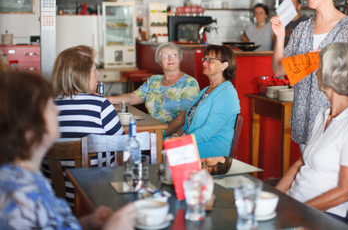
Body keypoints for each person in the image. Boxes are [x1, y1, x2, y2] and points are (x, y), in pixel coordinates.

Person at [0, 71, 137, 230]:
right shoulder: (18, 198)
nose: (57, 110)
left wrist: (86, 222)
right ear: (26, 129)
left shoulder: (27, 176)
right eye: (48, 105)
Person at [275, 43, 348, 226]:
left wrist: (298, 211)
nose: (316, 73)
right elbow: (301, 162)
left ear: (334, 73)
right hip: (298, 206)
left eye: (320, 68)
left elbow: (345, 191)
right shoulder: (324, 114)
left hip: (328, 215)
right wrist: (275, 197)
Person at [271, 0, 348, 151]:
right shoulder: (301, 29)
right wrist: (280, 37)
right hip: (304, 119)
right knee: (309, 174)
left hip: (335, 121)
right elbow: (279, 70)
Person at [50, 45, 124, 206]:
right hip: (99, 199)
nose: (97, 74)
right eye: (94, 70)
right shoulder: (101, 106)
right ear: (81, 74)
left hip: (56, 203)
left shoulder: (43, 107)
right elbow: (122, 150)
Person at [108, 42, 200, 136]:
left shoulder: (189, 83)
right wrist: (108, 99)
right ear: (159, 61)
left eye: (174, 54)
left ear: (179, 58)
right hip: (151, 131)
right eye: (165, 55)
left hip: (174, 136)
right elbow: (133, 97)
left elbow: (184, 117)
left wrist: (162, 133)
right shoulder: (153, 80)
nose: (170, 58)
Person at [174, 45, 240, 158]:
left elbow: (207, 132)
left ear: (224, 65)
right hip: (193, 145)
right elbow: (189, 124)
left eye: (210, 60)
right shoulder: (206, 90)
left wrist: (179, 143)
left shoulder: (227, 94)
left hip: (210, 153)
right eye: (204, 59)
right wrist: (175, 135)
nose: (204, 63)